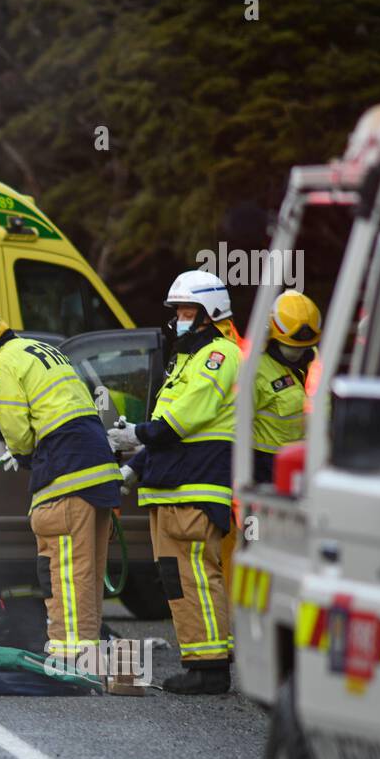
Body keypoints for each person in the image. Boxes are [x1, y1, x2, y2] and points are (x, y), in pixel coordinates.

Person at [0, 308, 120, 664]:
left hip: (65, 471)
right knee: (87, 570)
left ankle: (70, 659)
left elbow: (17, 430)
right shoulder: (37, 349)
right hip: (99, 466)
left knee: (60, 568)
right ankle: (90, 656)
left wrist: (21, 453)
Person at [112, 270, 240, 694]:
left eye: (188, 310)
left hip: (197, 487)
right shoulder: (185, 359)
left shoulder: (218, 356)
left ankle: (212, 668)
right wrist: (136, 467)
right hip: (171, 488)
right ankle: (198, 660)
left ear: (210, 313)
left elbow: (182, 421)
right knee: (177, 577)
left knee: (196, 576)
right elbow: (168, 434)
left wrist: (137, 435)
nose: (180, 318)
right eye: (178, 311)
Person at [252, 290, 321, 483]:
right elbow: (236, 426)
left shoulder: (313, 358)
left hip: (311, 461)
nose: (298, 352)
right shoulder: (255, 368)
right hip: (268, 469)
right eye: (291, 347)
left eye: (304, 347)